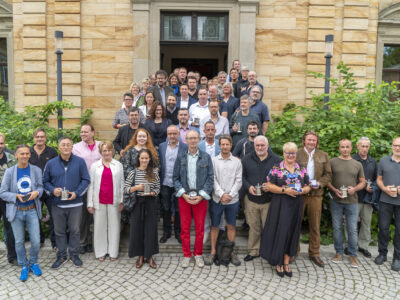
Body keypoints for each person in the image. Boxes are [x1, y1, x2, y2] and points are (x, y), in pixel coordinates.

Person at [260, 142, 311, 277]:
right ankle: (278, 262)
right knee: (281, 231)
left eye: (293, 153)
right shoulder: (277, 168)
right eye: (288, 153)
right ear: (283, 154)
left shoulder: (301, 169)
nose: (290, 155)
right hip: (280, 204)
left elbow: (308, 186)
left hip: (296, 204)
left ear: (296, 154)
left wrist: (301, 191)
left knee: (292, 232)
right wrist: (284, 190)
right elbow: (269, 185)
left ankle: (286, 262)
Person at [43, 137, 91, 269]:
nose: (65, 147)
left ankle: (74, 254)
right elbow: (45, 182)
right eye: (63, 145)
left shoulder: (80, 162)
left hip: (75, 204)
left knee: (75, 230)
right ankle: (62, 255)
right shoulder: (51, 163)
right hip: (57, 204)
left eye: (68, 145)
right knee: (59, 231)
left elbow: (86, 180)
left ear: (72, 147)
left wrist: (77, 192)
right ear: (59, 147)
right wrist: (53, 190)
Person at [0, 144, 43, 281]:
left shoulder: (36, 170)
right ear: (16, 155)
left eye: (27, 153)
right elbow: (3, 193)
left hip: (32, 211)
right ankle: (24, 265)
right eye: (21, 154)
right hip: (16, 212)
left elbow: (42, 188)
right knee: (19, 241)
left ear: (30, 155)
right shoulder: (10, 172)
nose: (24, 156)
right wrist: (15, 197)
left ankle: (34, 262)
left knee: (36, 241)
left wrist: (37, 192)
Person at [173, 130, 214, 268]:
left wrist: (201, 195)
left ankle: (198, 254)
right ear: (186, 140)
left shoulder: (206, 157)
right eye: (190, 138)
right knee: (184, 229)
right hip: (184, 197)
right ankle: (186, 254)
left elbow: (210, 178)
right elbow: (175, 178)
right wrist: (183, 194)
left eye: (195, 138)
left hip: (200, 198)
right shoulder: (181, 157)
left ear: (199, 139)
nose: (192, 141)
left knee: (200, 228)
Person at [204, 135, 242, 267]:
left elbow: (239, 180)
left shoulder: (237, 162)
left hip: (232, 200)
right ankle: (213, 251)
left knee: (231, 225)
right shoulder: (214, 161)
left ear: (231, 145)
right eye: (223, 144)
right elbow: (212, 178)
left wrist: (230, 195)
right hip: (217, 199)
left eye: (227, 144)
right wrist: (221, 194)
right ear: (219, 145)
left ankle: (230, 253)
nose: (225, 146)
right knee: (214, 226)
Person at [296, 130, 332, 268]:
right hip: (299, 194)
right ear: (304, 140)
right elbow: (290, 170)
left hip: (316, 195)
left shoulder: (323, 155)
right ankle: (294, 251)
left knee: (315, 225)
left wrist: (320, 184)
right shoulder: (297, 153)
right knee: (296, 224)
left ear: (317, 142)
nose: (311, 142)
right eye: (309, 140)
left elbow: (328, 174)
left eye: (314, 140)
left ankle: (314, 253)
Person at [327, 139, 366, 268]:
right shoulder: (332, 162)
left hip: (352, 201)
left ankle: (353, 255)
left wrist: (354, 189)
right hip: (336, 201)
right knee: (337, 227)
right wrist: (334, 190)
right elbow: (326, 180)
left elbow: (363, 182)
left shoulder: (357, 164)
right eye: (342, 147)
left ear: (351, 148)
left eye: (347, 147)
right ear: (339, 148)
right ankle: (338, 253)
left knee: (352, 229)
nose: (345, 149)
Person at [242, 136, 281, 262]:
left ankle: (269, 252)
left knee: (269, 227)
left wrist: (271, 186)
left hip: (269, 200)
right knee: (253, 226)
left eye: (262, 145)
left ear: (267, 145)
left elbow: (281, 179)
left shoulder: (276, 160)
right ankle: (253, 251)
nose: (259, 148)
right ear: (254, 146)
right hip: (251, 199)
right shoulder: (246, 159)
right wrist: (248, 187)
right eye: (257, 145)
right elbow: (242, 177)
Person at [87, 141, 124, 261]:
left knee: (114, 227)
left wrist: (122, 201)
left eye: (109, 150)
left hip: (114, 200)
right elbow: (91, 185)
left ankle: (113, 252)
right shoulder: (94, 166)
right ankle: (100, 252)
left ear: (112, 151)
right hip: (99, 201)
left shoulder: (118, 165)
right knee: (99, 227)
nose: (107, 152)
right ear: (100, 152)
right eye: (104, 150)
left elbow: (122, 184)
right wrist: (90, 203)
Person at [124, 149, 160, 269]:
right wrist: (136, 188)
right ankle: (140, 256)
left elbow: (158, 188)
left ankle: (149, 256)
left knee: (150, 230)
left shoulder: (154, 173)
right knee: (137, 230)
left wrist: (152, 193)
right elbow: (126, 189)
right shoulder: (133, 172)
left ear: (149, 159)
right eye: (142, 158)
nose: (144, 160)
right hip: (137, 204)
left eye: (146, 158)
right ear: (138, 159)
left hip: (150, 203)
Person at [73, 124, 102, 255]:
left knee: (96, 215)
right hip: (83, 186)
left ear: (93, 133)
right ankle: (83, 242)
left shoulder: (101, 145)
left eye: (86, 132)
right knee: (83, 216)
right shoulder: (76, 148)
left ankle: (95, 242)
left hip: (100, 186)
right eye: (81, 132)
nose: (83, 134)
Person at [29, 128, 58, 250]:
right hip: (34, 190)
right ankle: (39, 240)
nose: (40, 139)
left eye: (42, 136)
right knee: (35, 216)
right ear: (34, 138)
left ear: (45, 138)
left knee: (54, 216)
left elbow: (57, 169)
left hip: (49, 188)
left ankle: (54, 242)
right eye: (37, 137)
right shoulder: (28, 151)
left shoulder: (52, 152)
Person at [349, 137, 377, 259]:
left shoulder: (373, 162)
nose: (364, 149)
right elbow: (348, 178)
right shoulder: (352, 160)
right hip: (354, 197)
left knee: (366, 223)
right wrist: (361, 186)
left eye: (367, 146)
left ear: (369, 147)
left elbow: (377, 179)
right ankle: (351, 245)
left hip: (368, 199)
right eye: (362, 146)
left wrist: (373, 188)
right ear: (357, 146)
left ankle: (363, 246)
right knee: (351, 223)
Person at [158, 125, 188, 244]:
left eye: (174, 133)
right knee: (165, 208)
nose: (172, 136)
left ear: (178, 134)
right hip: (165, 182)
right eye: (170, 134)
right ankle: (166, 232)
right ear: (167, 135)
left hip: (178, 183)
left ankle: (178, 232)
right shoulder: (161, 146)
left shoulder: (184, 147)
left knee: (178, 209)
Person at [375, 137, 400, 271]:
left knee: (399, 231)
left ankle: (397, 258)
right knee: (383, 228)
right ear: (391, 146)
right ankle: (382, 253)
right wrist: (384, 188)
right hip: (385, 201)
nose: (398, 148)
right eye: (395, 145)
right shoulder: (384, 161)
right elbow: (379, 179)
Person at [0, 133, 17, 265]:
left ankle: (12, 256)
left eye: (1, 143)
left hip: (7, 198)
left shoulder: (11, 158)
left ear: (4, 144)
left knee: (9, 227)